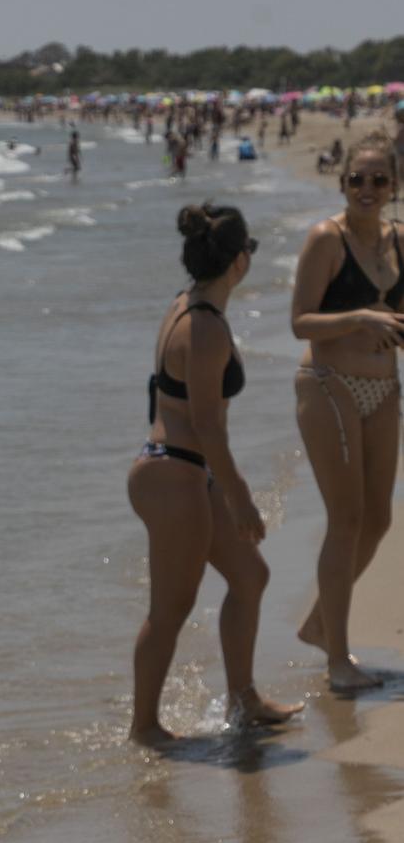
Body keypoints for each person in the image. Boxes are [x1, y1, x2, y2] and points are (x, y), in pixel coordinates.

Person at [126, 203, 301, 743]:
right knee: (171, 609)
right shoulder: (203, 326)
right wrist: (240, 495)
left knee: (251, 576)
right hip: (175, 473)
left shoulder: (188, 305)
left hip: (179, 471)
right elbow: (206, 425)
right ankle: (145, 727)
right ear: (239, 262)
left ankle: (244, 700)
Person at [291, 128, 404, 691]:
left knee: (380, 518)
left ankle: (319, 623)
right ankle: (338, 659)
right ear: (342, 182)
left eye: (379, 179)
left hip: (385, 390)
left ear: (394, 185)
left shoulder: (400, 240)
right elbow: (300, 322)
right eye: (357, 179)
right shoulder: (325, 240)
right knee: (347, 519)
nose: (367, 188)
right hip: (328, 386)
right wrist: (360, 318)